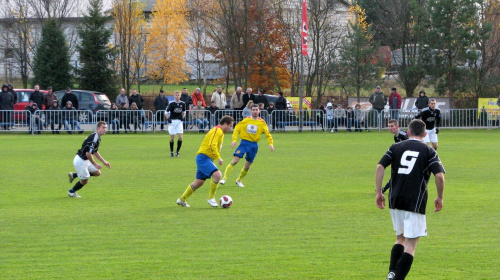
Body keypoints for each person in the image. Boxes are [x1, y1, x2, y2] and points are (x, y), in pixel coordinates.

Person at [375, 119, 445, 280]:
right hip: (415, 200)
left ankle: (391, 273)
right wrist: (440, 197)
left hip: (395, 198)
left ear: (408, 133)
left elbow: (380, 167)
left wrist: (379, 192)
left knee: (400, 238)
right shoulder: (429, 151)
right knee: (411, 246)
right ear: (425, 134)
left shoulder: (395, 147)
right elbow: (439, 176)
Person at [176, 115, 235, 208]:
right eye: (230, 126)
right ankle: (211, 198)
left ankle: (182, 199)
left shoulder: (219, 131)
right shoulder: (218, 131)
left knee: (199, 182)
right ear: (224, 124)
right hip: (203, 157)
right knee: (217, 175)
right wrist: (219, 157)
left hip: (205, 157)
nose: (231, 128)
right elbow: (212, 145)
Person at [219, 103, 274, 187]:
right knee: (235, 160)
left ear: (259, 111)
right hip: (244, 143)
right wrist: (234, 140)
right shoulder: (245, 120)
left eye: (256, 110)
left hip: (254, 145)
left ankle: (239, 180)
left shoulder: (262, 122)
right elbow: (237, 128)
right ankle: (224, 178)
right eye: (253, 110)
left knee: (247, 165)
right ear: (251, 111)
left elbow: (268, 134)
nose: (255, 111)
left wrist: (270, 144)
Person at [67, 121, 111, 198]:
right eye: (103, 128)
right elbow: (88, 153)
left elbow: (94, 151)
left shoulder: (97, 137)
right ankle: (71, 192)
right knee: (84, 181)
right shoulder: (94, 138)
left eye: (106, 128)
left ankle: (74, 175)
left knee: (97, 173)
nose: (105, 129)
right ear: (97, 128)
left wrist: (104, 161)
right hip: (81, 161)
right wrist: (95, 164)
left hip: (85, 160)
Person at [382, 119, 410, 194]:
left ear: (397, 126)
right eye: (389, 126)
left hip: (409, 159)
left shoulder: (404, 135)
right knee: (397, 174)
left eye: (392, 126)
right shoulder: (396, 136)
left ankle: (384, 189)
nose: (390, 128)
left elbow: (413, 144)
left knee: (398, 174)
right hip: (403, 158)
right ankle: (384, 189)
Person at [166, 91, 187, 157]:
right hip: (172, 122)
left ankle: (177, 152)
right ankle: (171, 152)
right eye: (176, 95)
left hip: (179, 122)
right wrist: (168, 118)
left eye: (178, 95)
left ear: (180, 96)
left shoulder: (183, 103)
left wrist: (183, 117)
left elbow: (184, 111)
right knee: (172, 138)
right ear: (174, 96)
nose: (177, 96)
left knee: (180, 137)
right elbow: (166, 112)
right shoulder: (171, 103)